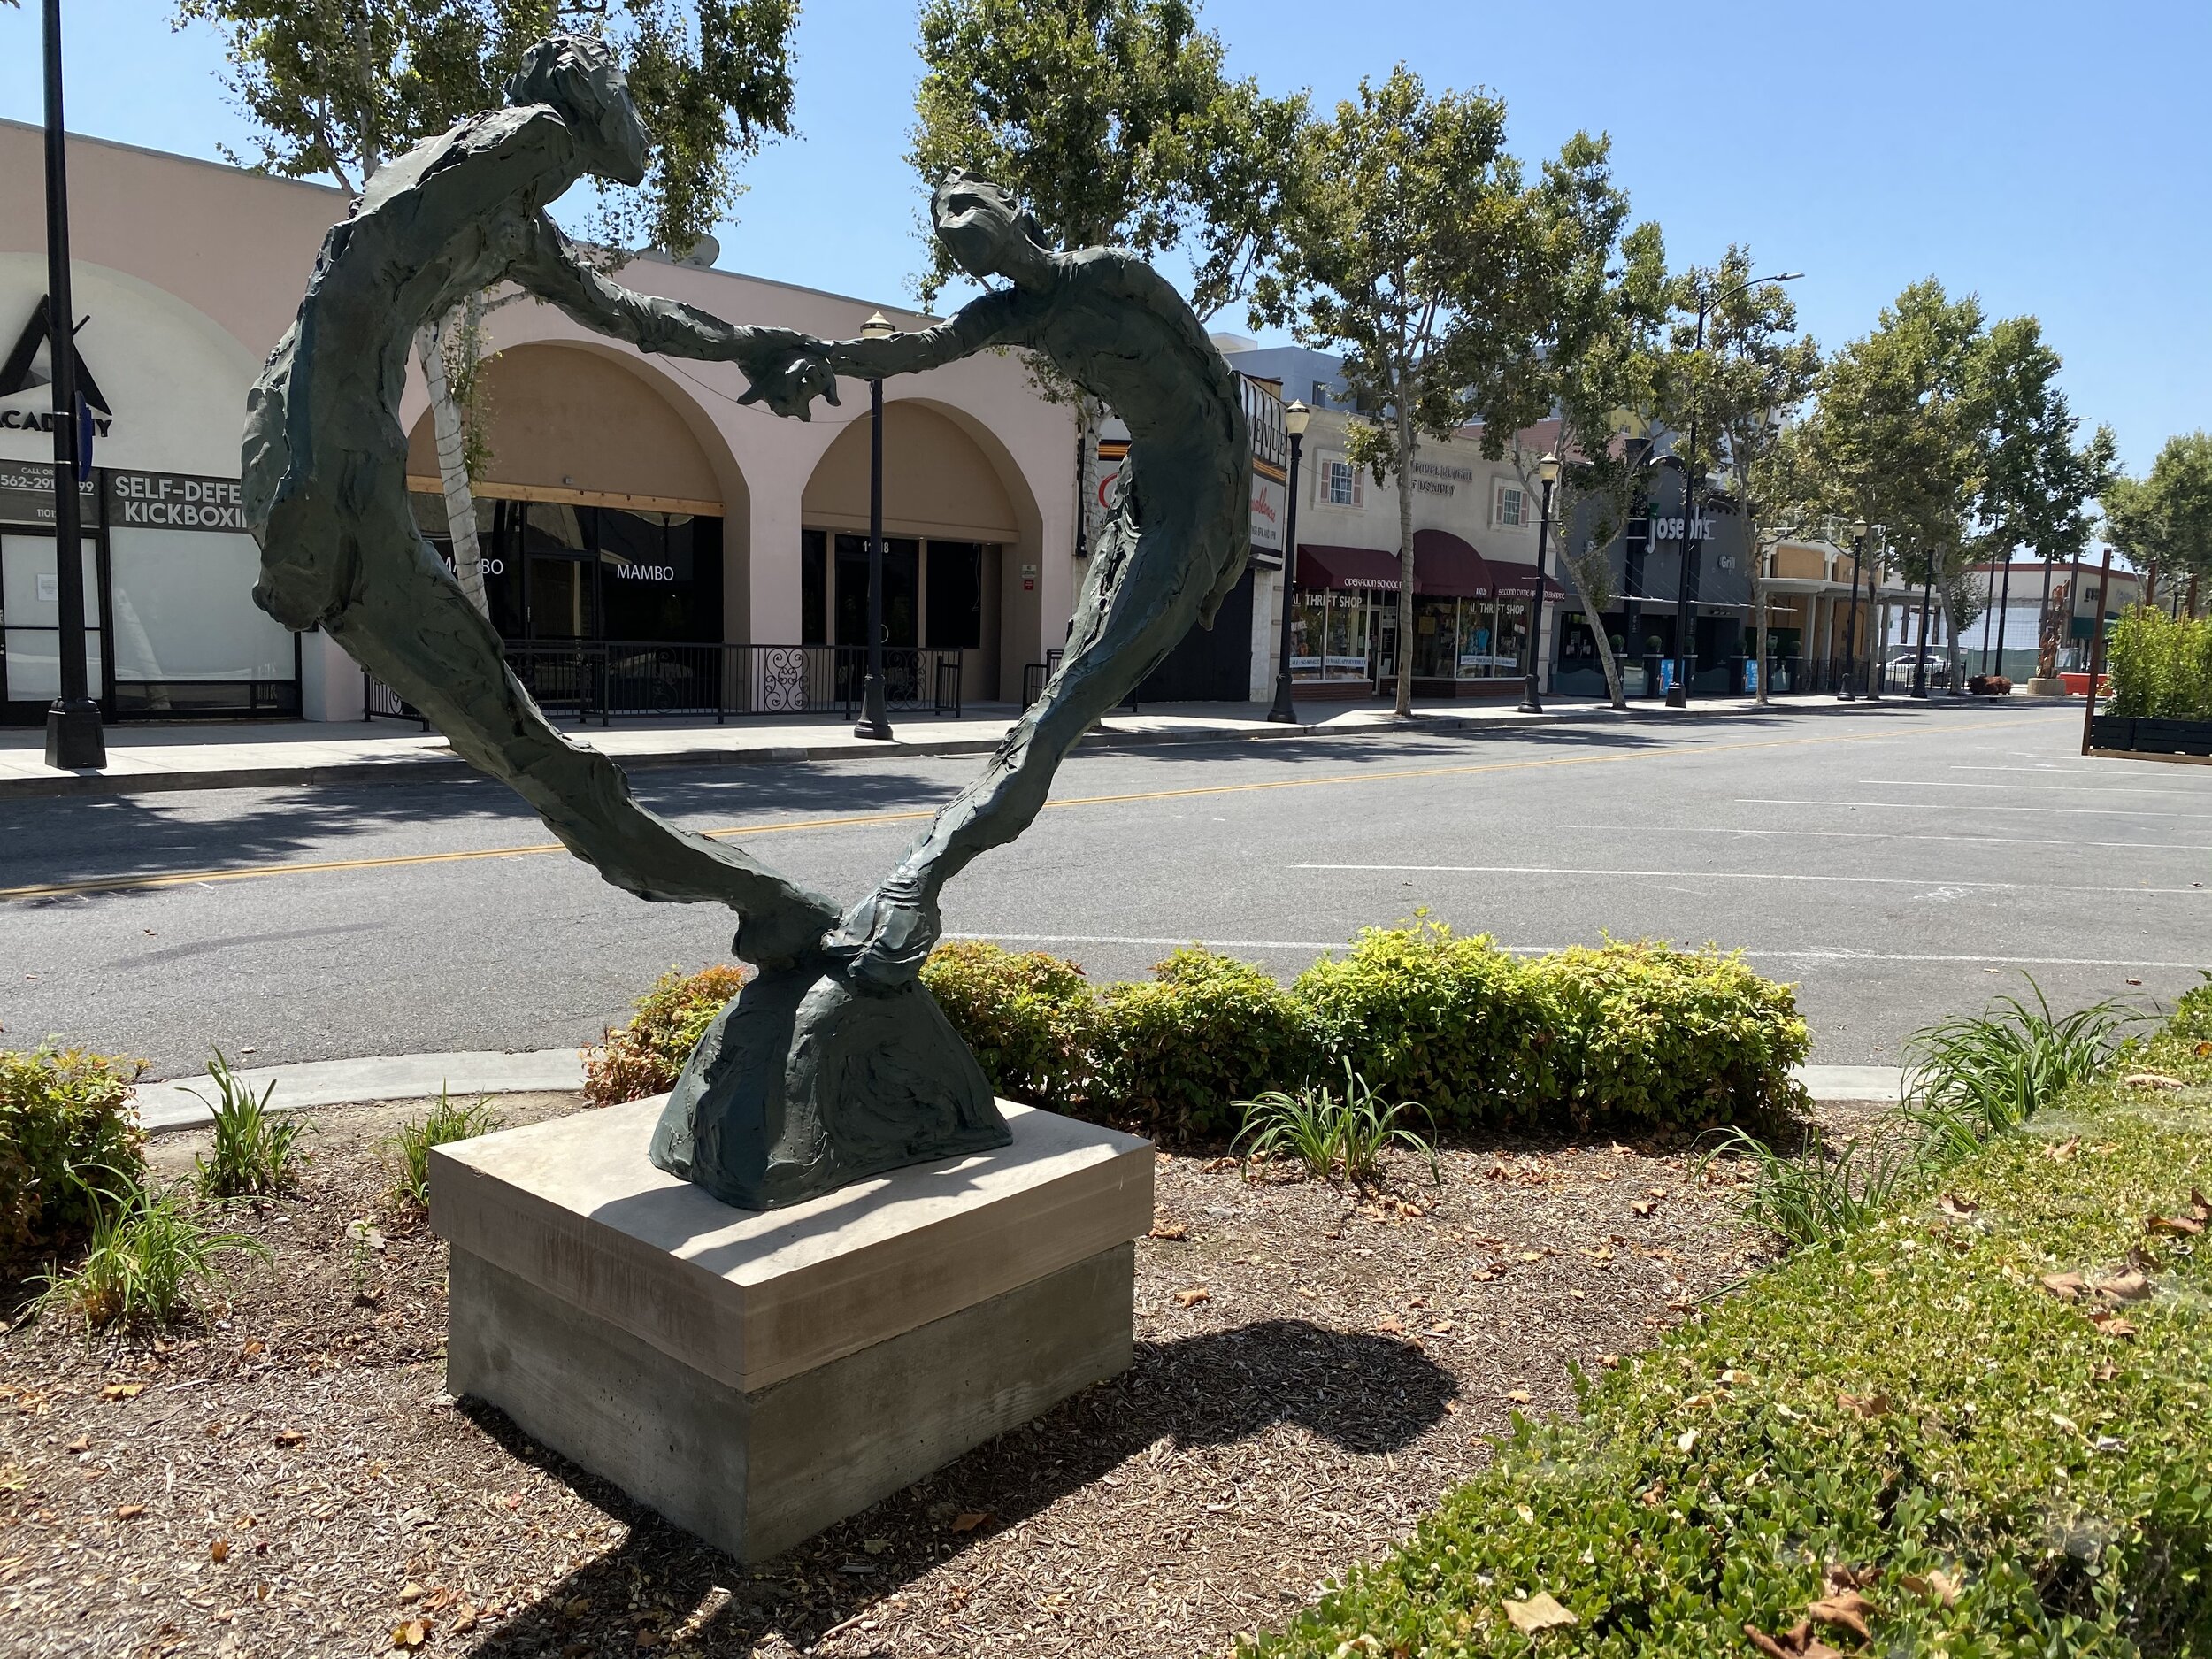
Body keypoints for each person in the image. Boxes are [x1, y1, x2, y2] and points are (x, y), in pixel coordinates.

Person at [242, 35, 839, 965]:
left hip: (313, 441)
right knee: (516, 735)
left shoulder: (518, 209)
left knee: (509, 730)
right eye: (626, 92)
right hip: (331, 458)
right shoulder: (538, 137)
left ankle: (760, 902)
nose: (637, 114)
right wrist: (310, 491)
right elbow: (350, 274)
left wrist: (754, 342)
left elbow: (631, 316)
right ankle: (766, 903)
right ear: (585, 89)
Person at [812, 171, 1252, 986]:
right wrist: (805, 355)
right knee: (1055, 703)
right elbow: (913, 350)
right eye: (942, 216)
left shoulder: (1107, 272)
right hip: (1147, 496)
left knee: (1064, 709)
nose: (955, 222)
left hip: (1199, 513)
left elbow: (1211, 375)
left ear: (1014, 213)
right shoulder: (1006, 316)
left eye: (967, 203)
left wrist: (1229, 540)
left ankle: (919, 878)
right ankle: (919, 880)